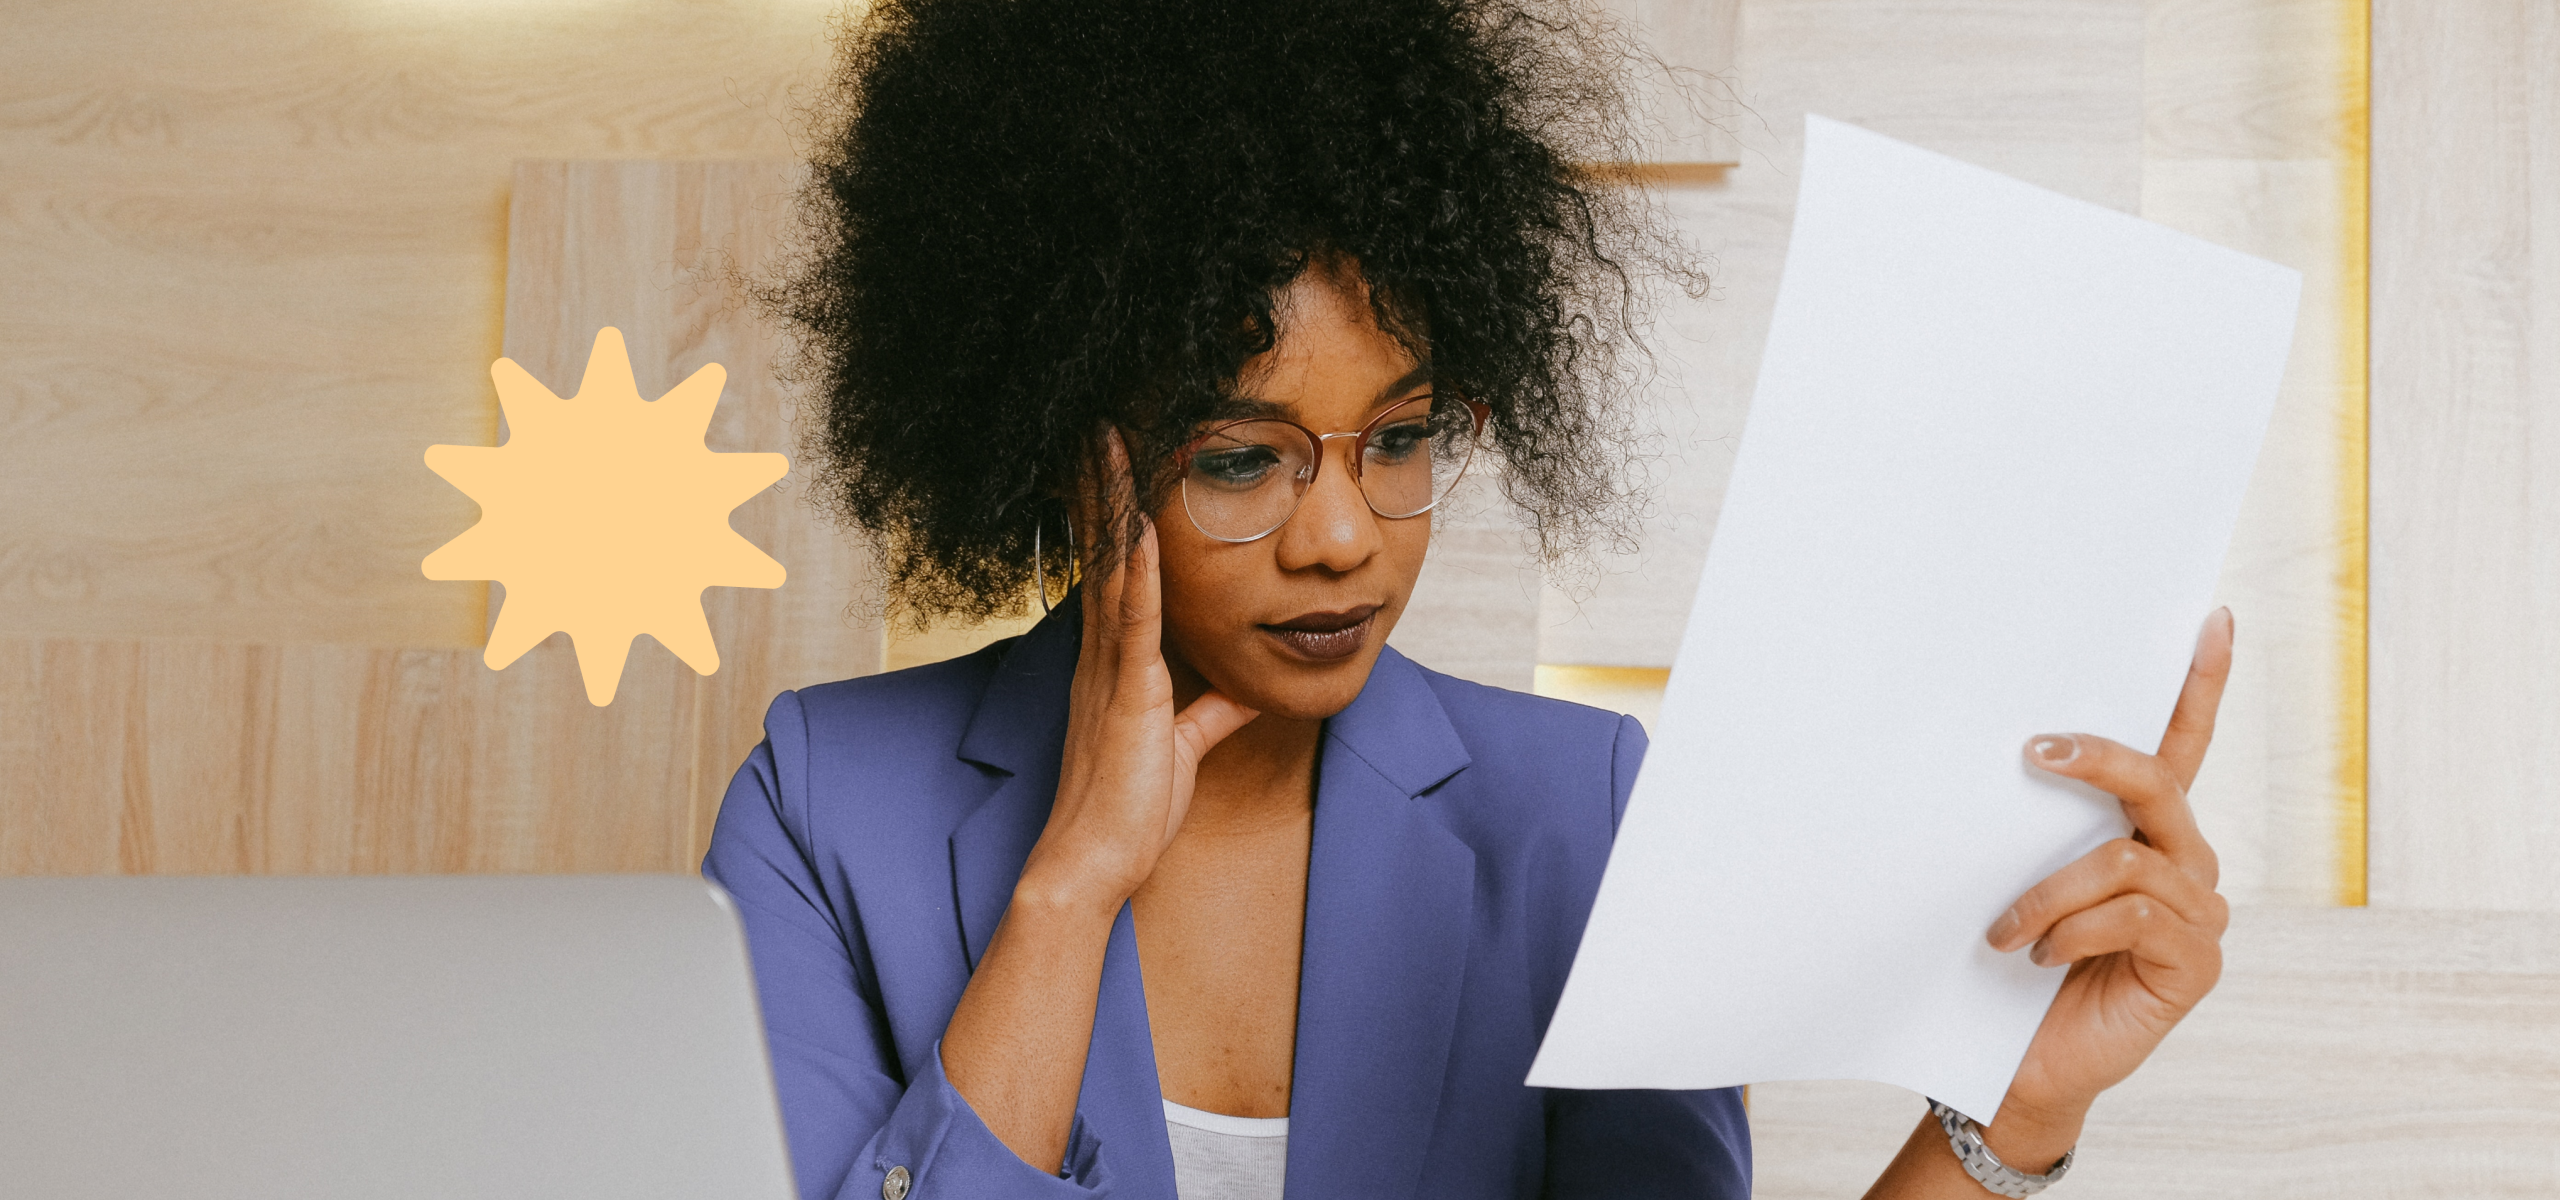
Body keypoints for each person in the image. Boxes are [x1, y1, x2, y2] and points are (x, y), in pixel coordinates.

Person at [704, 1, 2235, 1197]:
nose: (1343, 538)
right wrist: (1070, 888)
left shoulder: (1578, 817)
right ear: (1060, 445)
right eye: (1243, 459)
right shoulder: (827, 808)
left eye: (1404, 439)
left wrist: (2017, 1110)